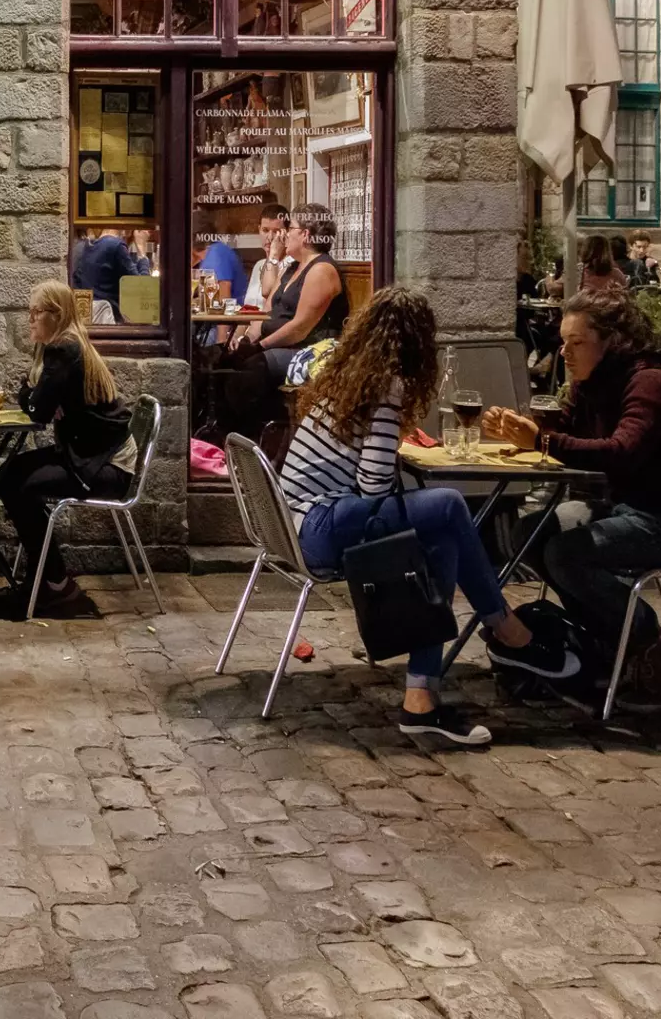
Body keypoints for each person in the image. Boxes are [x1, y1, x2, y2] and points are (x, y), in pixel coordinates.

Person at [278, 286, 577, 744]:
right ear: (419, 342)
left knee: (441, 540)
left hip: (300, 524)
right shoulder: (386, 386)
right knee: (450, 504)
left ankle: (421, 697)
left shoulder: (347, 378)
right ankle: (506, 630)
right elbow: (374, 486)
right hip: (320, 527)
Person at [484, 290, 661, 701]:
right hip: (619, 507)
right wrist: (518, 426)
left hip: (653, 515)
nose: (564, 352)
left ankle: (641, 634)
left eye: (576, 342)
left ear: (611, 341)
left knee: (566, 553)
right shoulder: (592, 381)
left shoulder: (647, 381)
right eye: (563, 341)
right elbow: (569, 425)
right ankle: (600, 639)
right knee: (530, 531)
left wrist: (543, 442)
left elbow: (622, 452)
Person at [0, 281, 137, 615]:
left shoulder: (64, 350)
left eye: (37, 312)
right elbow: (32, 396)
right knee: (10, 475)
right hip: (84, 453)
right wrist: (35, 395)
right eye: (28, 312)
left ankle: (54, 580)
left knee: (20, 485)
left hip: (105, 465)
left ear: (57, 316)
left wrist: (36, 397)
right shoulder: (59, 347)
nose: (30, 319)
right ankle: (46, 576)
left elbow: (38, 411)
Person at [237, 203, 350, 384]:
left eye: (290, 228)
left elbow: (299, 328)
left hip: (307, 351)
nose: (285, 234)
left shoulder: (322, 270)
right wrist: (247, 339)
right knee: (221, 358)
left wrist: (258, 347)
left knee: (252, 367)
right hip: (271, 345)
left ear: (305, 235)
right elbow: (267, 309)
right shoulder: (292, 267)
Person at [72, 229, 151, 321]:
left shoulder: (84, 246)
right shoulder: (115, 245)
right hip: (110, 320)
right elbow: (144, 289)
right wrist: (142, 252)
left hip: (90, 319)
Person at [243, 203, 292, 310]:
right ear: (259, 229)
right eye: (265, 230)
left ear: (287, 232)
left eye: (276, 231)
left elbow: (270, 298)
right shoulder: (258, 265)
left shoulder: (291, 264)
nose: (270, 237)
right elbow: (249, 310)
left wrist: (274, 255)